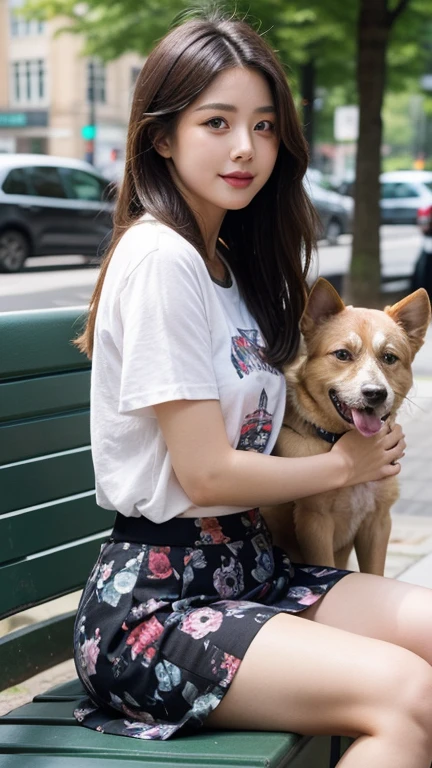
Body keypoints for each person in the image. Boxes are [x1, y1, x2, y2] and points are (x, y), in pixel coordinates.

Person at [72, 10, 432, 767]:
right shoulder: (158, 258)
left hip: (255, 572)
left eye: (265, 126)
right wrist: (344, 469)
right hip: (158, 608)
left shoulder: (230, 267)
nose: (246, 147)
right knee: (409, 695)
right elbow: (204, 472)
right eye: (218, 122)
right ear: (162, 136)